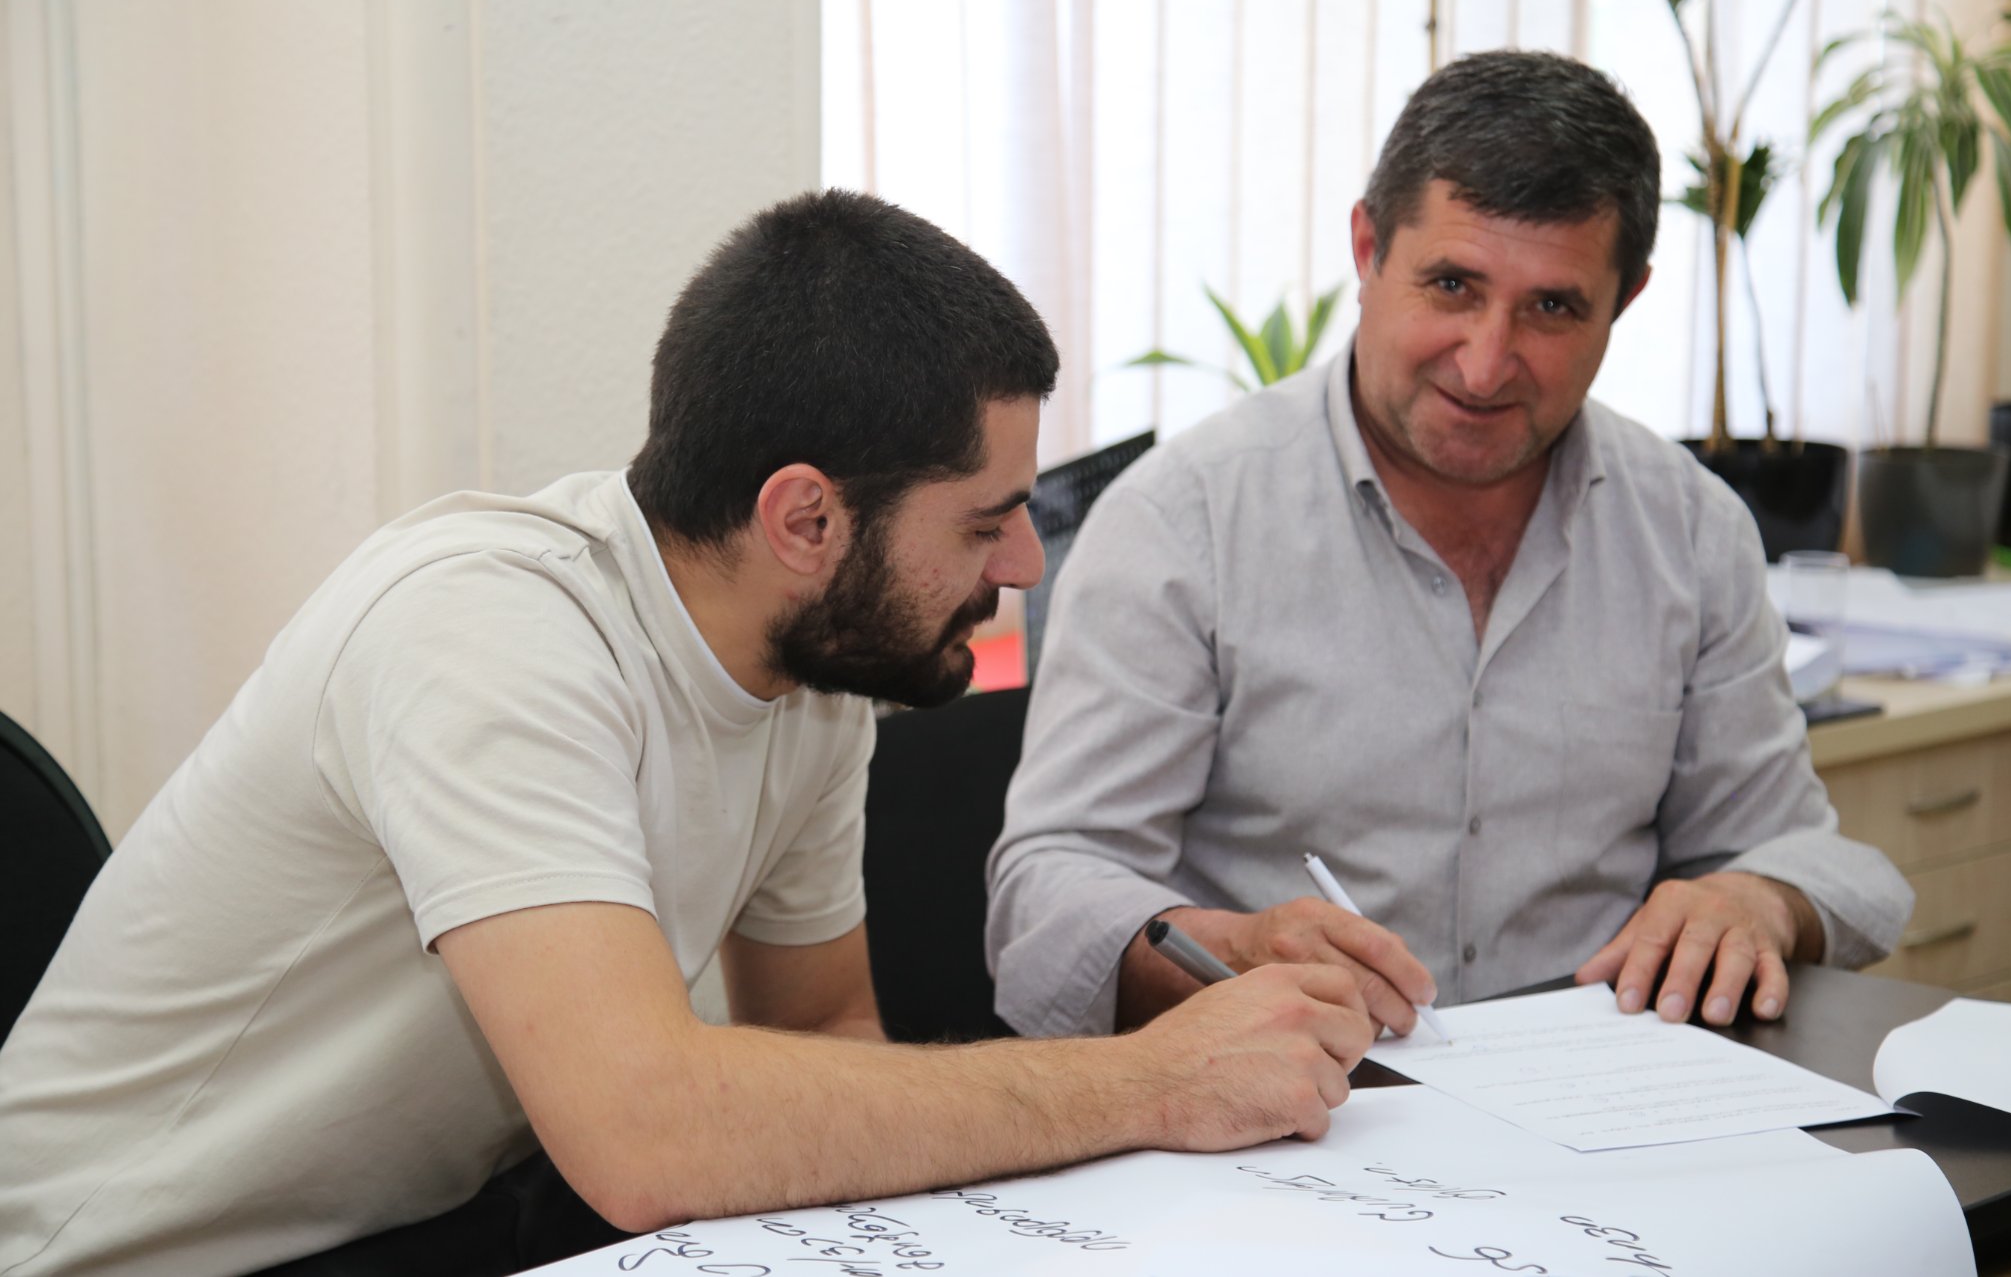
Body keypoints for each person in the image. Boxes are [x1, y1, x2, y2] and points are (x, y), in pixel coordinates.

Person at [0, 190, 1381, 1277]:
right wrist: (1147, 1083)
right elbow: (645, 1132)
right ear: (805, 519)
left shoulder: (818, 669)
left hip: (447, 1231)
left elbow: (826, 1032)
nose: (1023, 562)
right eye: (983, 521)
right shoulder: (480, 634)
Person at [985, 51, 1913, 1045]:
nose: (1484, 364)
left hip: (1601, 1094)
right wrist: (1229, 947)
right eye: (1452, 285)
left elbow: (1809, 857)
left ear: (1624, 302)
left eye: (1551, 308)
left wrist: (1758, 898)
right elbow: (1045, 897)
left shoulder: (1688, 529)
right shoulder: (1184, 522)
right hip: (1292, 1094)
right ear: (1366, 249)